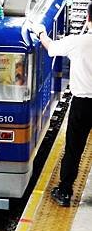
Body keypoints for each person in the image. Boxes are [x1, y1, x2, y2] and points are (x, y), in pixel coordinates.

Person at [30, 13, 92, 207]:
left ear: (88, 18)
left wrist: (40, 32)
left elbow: (52, 47)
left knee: (74, 148)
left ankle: (64, 191)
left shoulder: (78, 42)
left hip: (82, 104)